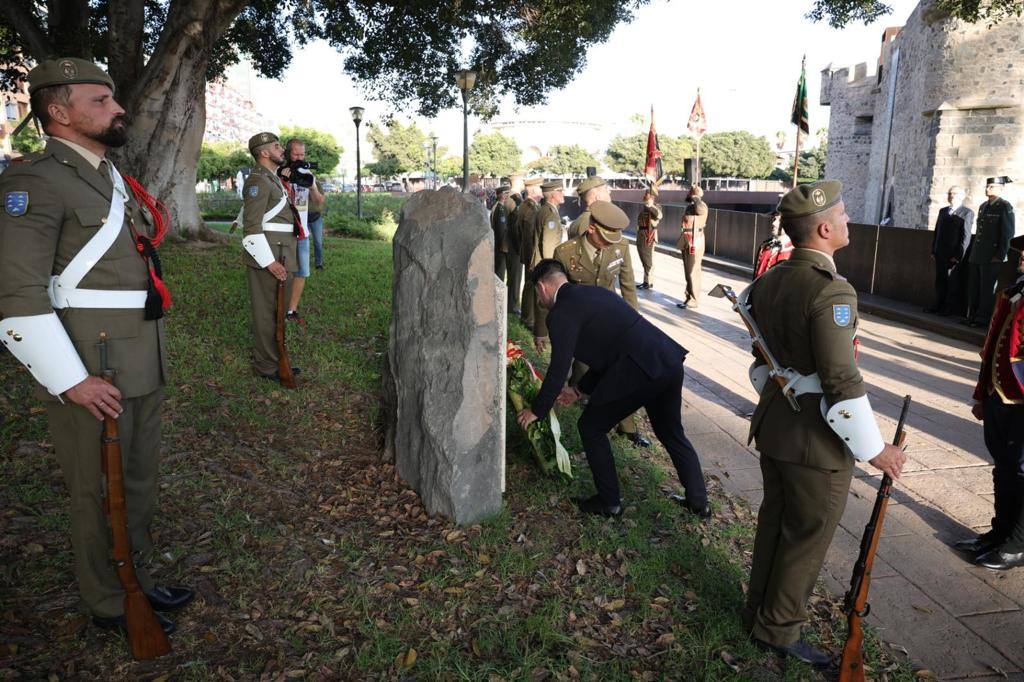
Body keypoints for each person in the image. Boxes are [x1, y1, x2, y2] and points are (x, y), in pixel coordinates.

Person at [0, 58, 192, 636]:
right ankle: (110, 600)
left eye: (113, 100)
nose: (117, 109)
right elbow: (15, 295)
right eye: (99, 101)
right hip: (90, 364)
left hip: (138, 355)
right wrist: (69, 379)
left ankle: (132, 574)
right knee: (96, 485)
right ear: (58, 113)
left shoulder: (105, 173)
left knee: (135, 481)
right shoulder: (34, 180)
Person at [741, 181, 906, 666]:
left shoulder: (768, 280)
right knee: (806, 536)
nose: (850, 221)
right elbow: (840, 376)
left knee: (774, 525)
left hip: (775, 424)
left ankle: (758, 611)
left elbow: (763, 360)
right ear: (825, 228)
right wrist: (875, 449)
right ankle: (779, 629)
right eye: (844, 215)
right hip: (816, 438)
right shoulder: (831, 289)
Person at [516, 258, 709, 519]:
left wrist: (537, 411)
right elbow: (609, 353)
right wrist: (578, 390)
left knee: (591, 427)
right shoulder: (592, 294)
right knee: (671, 432)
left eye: (537, 293)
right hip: (666, 360)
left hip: (640, 371)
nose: (539, 300)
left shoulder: (561, 312)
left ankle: (609, 502)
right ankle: (699, 503)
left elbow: (558, 369)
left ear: (542, 287)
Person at [546, 201, 650, 448]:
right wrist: (546, 332)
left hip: (613, 324)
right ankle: (590, 423)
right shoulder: (566, 253)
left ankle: (627, 427)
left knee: (621, 373)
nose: (609, 244)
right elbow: (557, 296)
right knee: (586, 376)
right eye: (604, 238)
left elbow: (628, 285)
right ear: (592, 229)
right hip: (582, 330)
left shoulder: (620, 247)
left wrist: (635, 326)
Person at [956, 235, 1024, 570]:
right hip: (1001, 396)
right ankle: (1000, 533)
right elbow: (993, 348)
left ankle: (1018, 544)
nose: (1023, 259)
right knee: (1005, 466)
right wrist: (982, 394)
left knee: (1023, 470)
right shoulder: (1014, 292)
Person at [241, 131, 301, 382]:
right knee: (267, 312)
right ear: (264, 153)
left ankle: (276, 359)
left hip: (282, 250)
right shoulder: (258, 181)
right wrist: (269, 262)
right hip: (271, 253)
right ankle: (266, 366)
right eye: (276, 147)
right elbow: (251, 227)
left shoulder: (272, 179)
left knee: (278, 310)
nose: (281, 150)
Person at [281, 138, 324, 322]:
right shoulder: (280, 172)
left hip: (301, 233)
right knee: (282, 270)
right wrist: (283, 179)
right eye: (296, 154)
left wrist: (312, 185)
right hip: (283, 231)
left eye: (302, 154)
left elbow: (319, 202)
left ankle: (292, 310)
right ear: (288, 154)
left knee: (302, 272)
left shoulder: (308, 174)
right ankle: (278, 306)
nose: (299, 158)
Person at [964, 176, 1015, 327]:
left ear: (1000, 189)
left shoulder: (1004, 206)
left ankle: (982, 319)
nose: (988, 189)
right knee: (974, 288)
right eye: (987, 186)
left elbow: (1007, 234)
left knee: (987, 290)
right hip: (977, 255)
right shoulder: (983, 206)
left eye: (992, 187)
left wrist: (999, 255)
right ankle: (971, 316)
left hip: (992, 257)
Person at [927, 186, 973, 315]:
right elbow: (937, 232)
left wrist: (959, 255)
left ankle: (948, 308)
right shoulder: (943, 211)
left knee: (952, 282)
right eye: (950, 193)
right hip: (940, 252)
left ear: (962, 196)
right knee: (940, 280)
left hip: (953, 255)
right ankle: (938, 305)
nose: (952, 196)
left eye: (955, 193)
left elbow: (966, 236)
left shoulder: (966, 213)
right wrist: (933, 250)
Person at [531, 181, 565, 350]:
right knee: (545, 302)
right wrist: (552, 270)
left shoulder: (545, 210)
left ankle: (541, 334)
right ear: (553, 194)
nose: (563, 193)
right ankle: (543, 335)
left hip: (539, 262)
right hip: (546, 265)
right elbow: (549, 245)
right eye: (560, 191)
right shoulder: (550, 214)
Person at [513, 177, 543, 330]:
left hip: (528, 253)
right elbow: (531, 235)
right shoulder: (531, 208)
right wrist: (533, 257)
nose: (542, 193)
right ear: (533, 191)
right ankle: (529, 318)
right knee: (531, 285)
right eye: (539, 189)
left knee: (529, 284)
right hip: (531, 253)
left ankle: (527, 316)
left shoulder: (526, 206)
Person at [676, 186, 708, 310]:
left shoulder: (701, 205)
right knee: (687, 271)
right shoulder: (690, 207)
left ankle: (694, 299)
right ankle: (688, 296)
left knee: (693, 271)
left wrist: (696, 198)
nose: (688, 195)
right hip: (687, 239)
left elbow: (700, 211)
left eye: (691, 193)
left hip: (695, 240)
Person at [567, 175, 611, 240]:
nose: (609, 192)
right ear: (598, 197)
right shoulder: (591, 223)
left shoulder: (581, 221)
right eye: (606, 190)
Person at [753, 211, 794, 279]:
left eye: (780, 220)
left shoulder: (795, 251)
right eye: (774, 219)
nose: (773, 223)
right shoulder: (764, 246)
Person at [636, 188, 663, 289]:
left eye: (646, 194)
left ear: (651, 196)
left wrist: (650, 205)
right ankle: (646, 280)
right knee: (644, 259)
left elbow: (659, 215)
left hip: (649, 235)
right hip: (641, 235)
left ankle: (648, 282)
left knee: (648, 260)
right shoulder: (645, 207)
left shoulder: (656, 206)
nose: (644, 195)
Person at [491, 185, 511, 281]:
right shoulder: (500, 209)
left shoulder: (500, 207)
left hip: (499, 244)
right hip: (500, 245)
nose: (507, 196)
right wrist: (504, 246)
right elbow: (501, 229)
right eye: (505, 193)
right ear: (500, 195)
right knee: (500, 272)